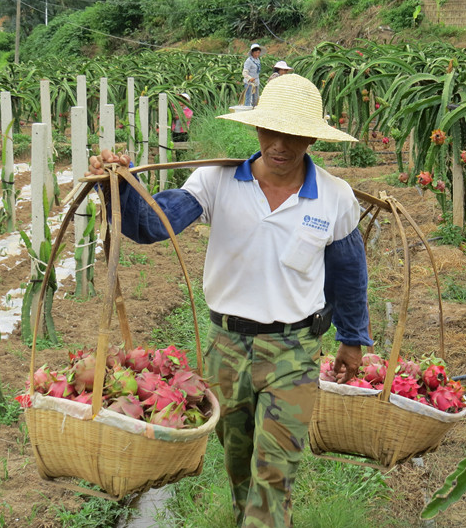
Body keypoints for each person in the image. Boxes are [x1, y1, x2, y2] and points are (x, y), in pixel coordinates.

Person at [88, 73, 372, 528]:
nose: (280, 144)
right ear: (256, 129)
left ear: (312, 137)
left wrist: (353, 339)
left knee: (276, 472)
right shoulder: (214, 182)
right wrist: (116, 187)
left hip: (293, 352)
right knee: (239, 466)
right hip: (227, 349)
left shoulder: (335, 197)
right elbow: (151, 227)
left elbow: (349, 274)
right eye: (270, 131)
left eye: (294, 134)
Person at [242, 43, 262, 107]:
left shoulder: (257, 60)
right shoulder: (248, 61)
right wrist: (250, 78)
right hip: (249, 83)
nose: (257, 54)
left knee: (256, 98)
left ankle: (254, 110)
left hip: (256, 82)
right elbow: (244, 72)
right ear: (252, 52)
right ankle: (247, 110)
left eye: (258, 53)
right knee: (248, 98)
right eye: (256, 53)